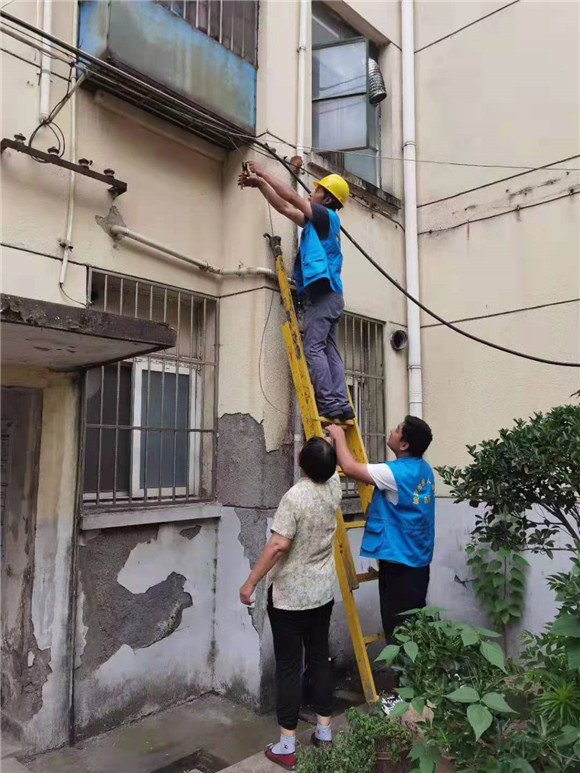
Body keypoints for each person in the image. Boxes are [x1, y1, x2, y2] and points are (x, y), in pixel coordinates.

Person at [239, 437, 342, 771]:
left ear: (301, 461)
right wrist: (333, 439)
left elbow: (277, 545)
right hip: (321, 593)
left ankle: (286, 745)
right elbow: (330, 465)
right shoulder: (335, 486)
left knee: (288, 666)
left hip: (290, 598)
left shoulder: (295, 497)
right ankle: (324, 733)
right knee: (319, 658)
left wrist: (250, 582)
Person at [239, 161, 353, 421]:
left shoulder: (326, 216)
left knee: (313, 349)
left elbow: (291, 197)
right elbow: (283, 207)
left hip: (323, 296)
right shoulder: (318, 223)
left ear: (327, 199)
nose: (311, 193)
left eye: (317, 191)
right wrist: (261, 184)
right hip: (331, 296)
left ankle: (329, 403)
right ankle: (341, 403)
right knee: (329, 350)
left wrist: (263, 172)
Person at [327, 417, 435, 640]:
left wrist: (338, 436)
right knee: (413, 624)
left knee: (398, 630)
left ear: (404, 444)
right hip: (416, 559)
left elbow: (349, 467)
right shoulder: (423, 469)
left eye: (397, 430)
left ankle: (404, 663)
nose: (392, 431)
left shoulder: (394, 473)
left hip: (400, 563)